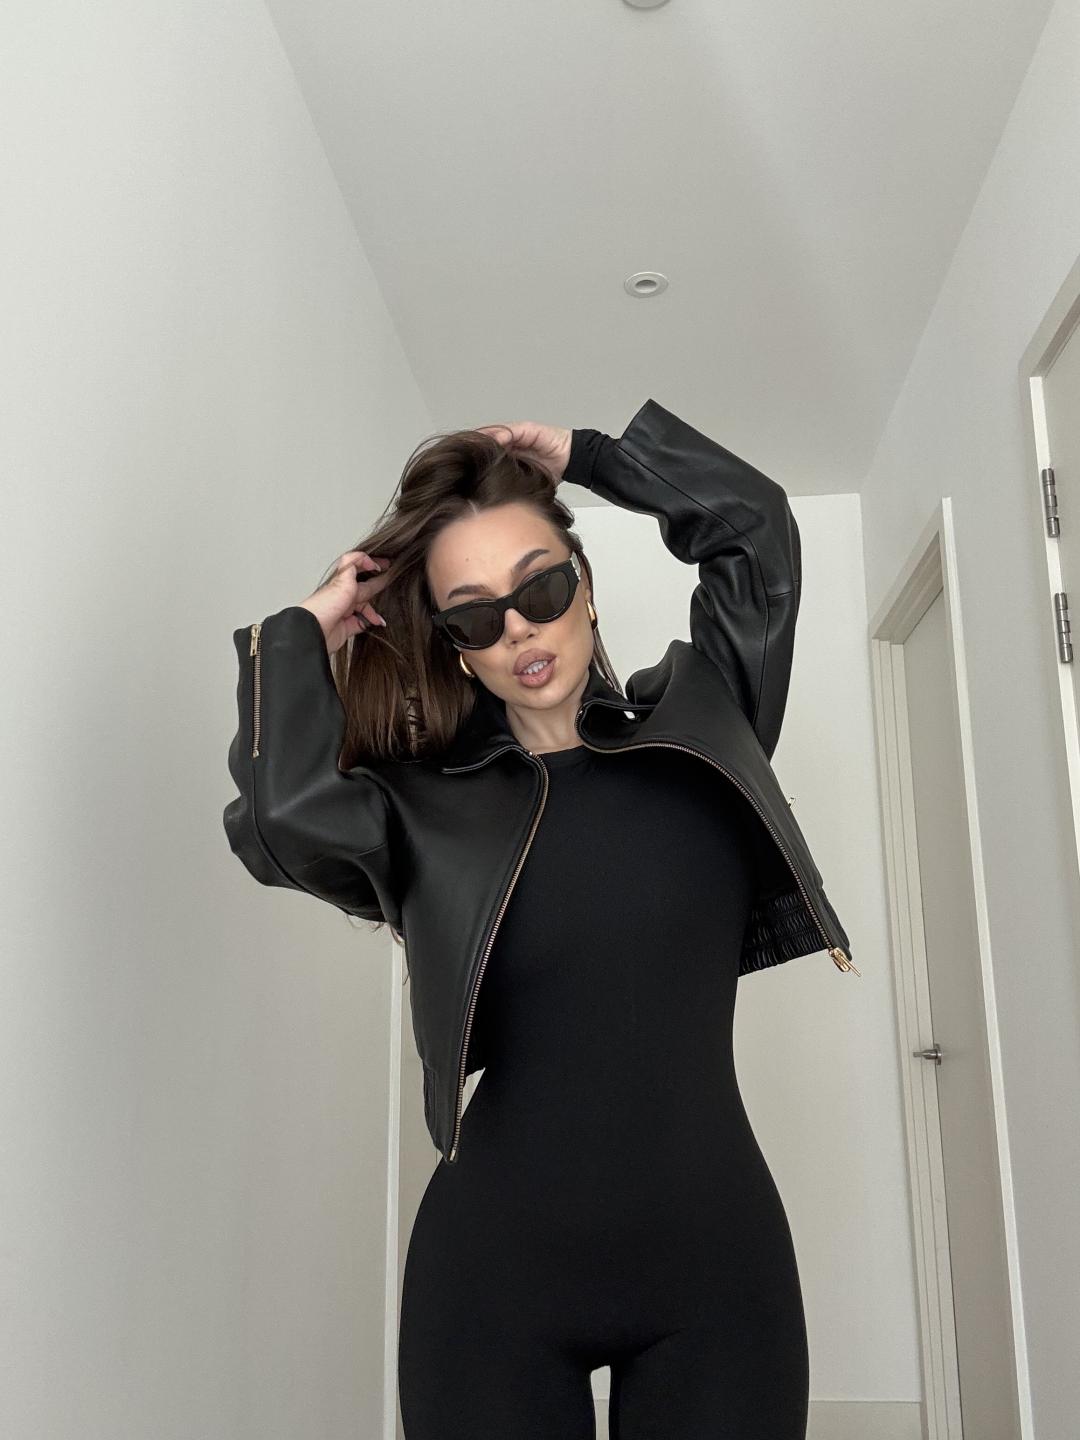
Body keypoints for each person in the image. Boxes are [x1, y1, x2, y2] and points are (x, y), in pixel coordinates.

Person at [224, 398, 856, 1438]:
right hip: (493, 1284)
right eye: (474, 616)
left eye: (541, 587)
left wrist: (594, 456)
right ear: (456, 650)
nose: (517, 627)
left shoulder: (705, 728)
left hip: (716, 1271)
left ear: (586, 589)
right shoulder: (425, 815)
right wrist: (300, 638)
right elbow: (279, 824)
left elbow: (754, 529)